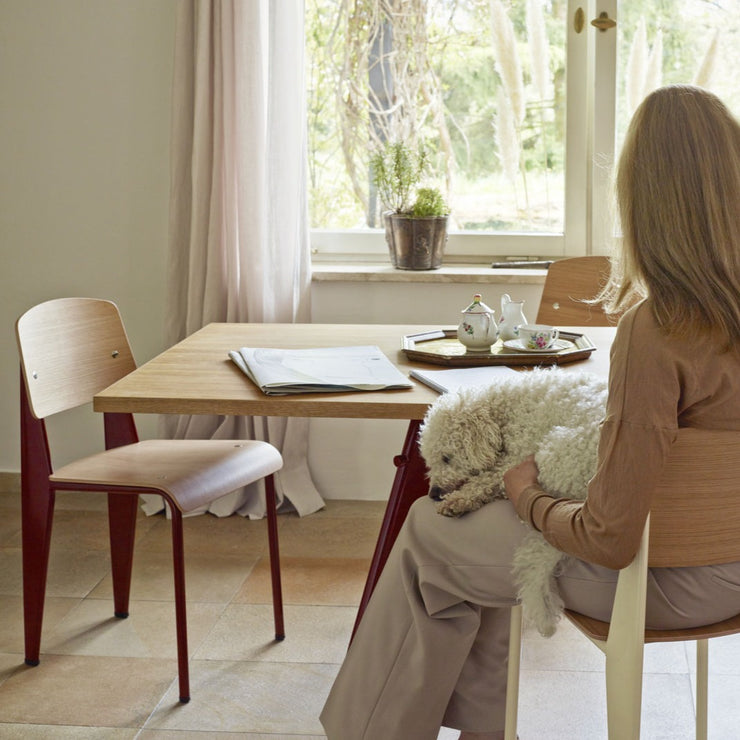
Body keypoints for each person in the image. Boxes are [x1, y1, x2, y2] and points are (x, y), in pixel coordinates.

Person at [320, 84, 740, 740]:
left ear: (643, 200)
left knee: (431, 533)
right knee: (480, 551)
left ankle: (365, 734)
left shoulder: (656, 331)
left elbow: (610, 538)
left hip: (664, 585)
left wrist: (528, 497)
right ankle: (485, 728)